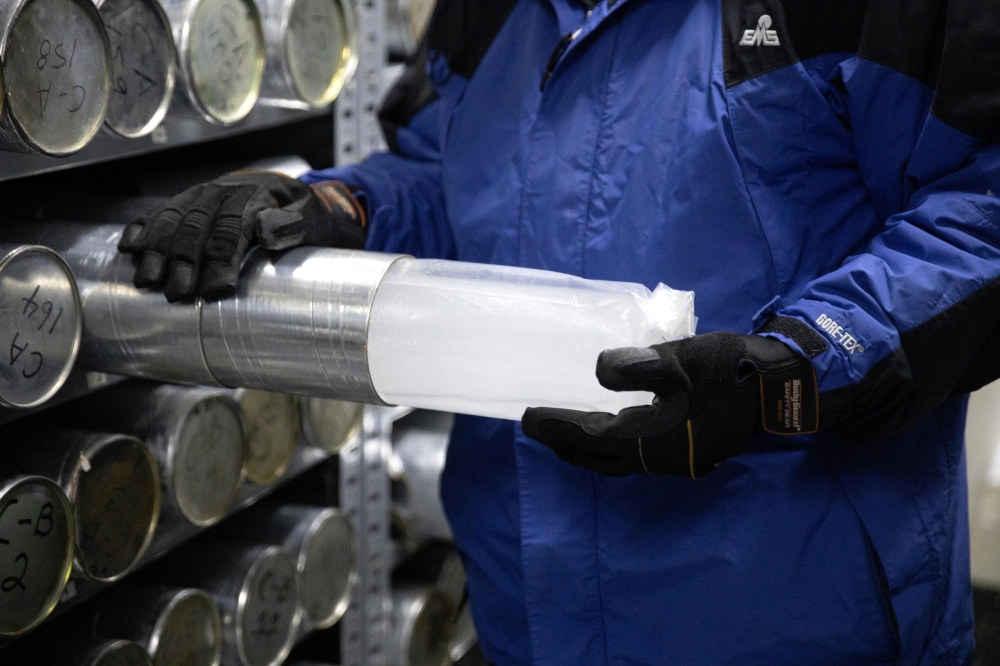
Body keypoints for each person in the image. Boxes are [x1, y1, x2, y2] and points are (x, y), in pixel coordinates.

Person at [119, 1, 1000, 663]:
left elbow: (982, 201)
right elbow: (442, 170)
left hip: (791, 615)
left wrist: (793, 371)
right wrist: (336, 206)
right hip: (526, 606)